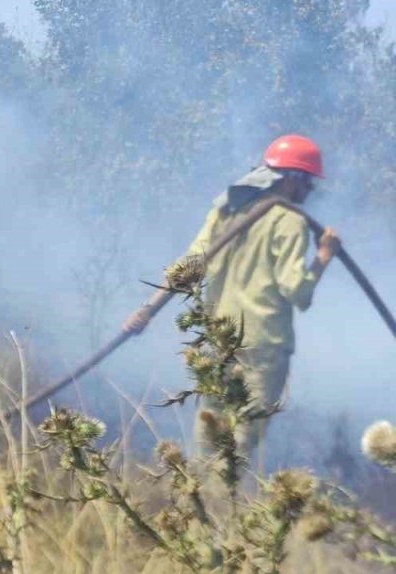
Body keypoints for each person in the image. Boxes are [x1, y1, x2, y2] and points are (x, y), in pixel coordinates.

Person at [125, 134, 342, 460]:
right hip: (262, 346)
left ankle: (200, 499)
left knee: (208, 432)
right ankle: (222, 504)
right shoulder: (290, 221)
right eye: (308, 180)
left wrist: (146, 311)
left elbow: (190, 265)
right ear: (292, 179)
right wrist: (324, 256)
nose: (310, 190)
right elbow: (298, 292)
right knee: (243, 438)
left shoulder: (227, 209)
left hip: (218, 338)